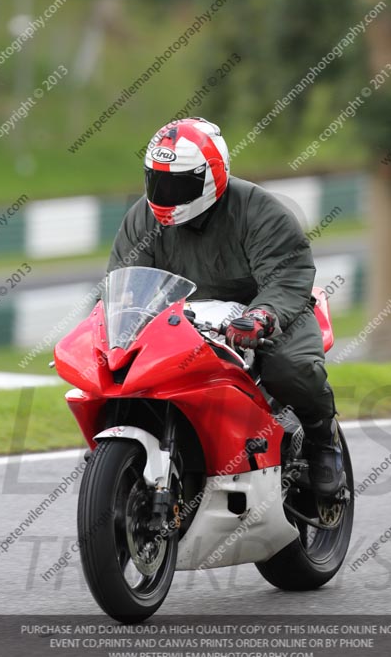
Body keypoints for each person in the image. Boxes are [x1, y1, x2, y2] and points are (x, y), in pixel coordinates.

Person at [107, 117, 345, 496]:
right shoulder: (141, 219)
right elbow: (124, 283)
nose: (165, 194)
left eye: (178, 183)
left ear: (210, 176)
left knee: (291, 368)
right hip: (183, 324)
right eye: (157, 181)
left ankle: (322, 440)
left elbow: (289, 273)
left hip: (266, 313)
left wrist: (262, 316)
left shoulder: (258, 210)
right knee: (119, 376)